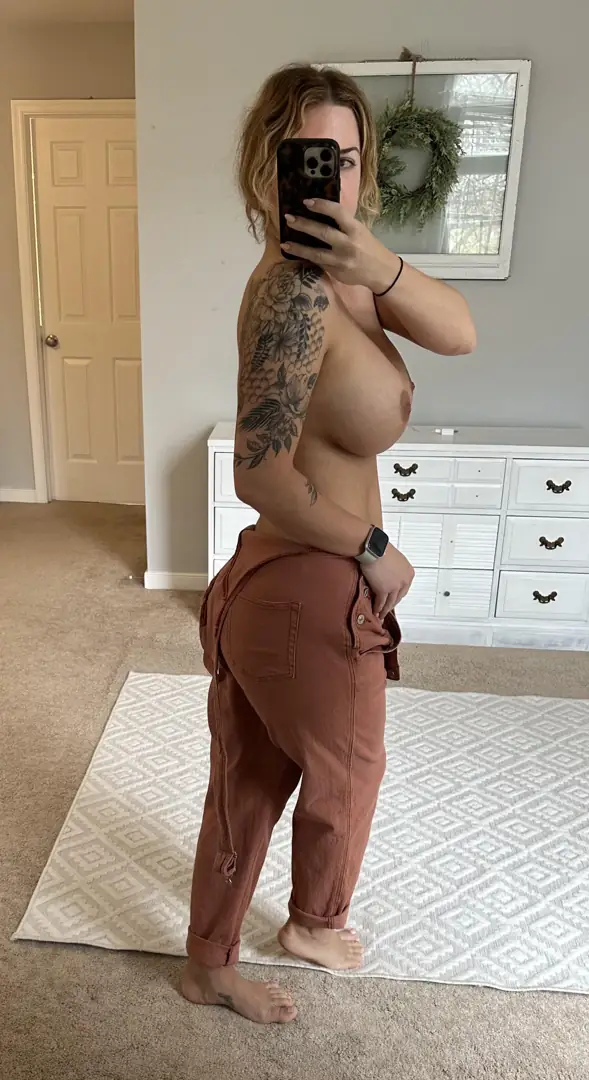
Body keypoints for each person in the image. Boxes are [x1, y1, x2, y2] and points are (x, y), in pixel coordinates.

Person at [181, 63, 476, 1025]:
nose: (332, 177)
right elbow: (259, 474)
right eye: (309, 156)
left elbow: (459, 333)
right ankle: (312, 924)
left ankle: (209, 962)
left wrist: (375, 264)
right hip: (311, 586)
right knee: (346, 774)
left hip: (281, 585)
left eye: (345, 159)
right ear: (265, 166)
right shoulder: (295, 294)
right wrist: (373, 546)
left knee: (250, 781)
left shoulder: (347, 280)